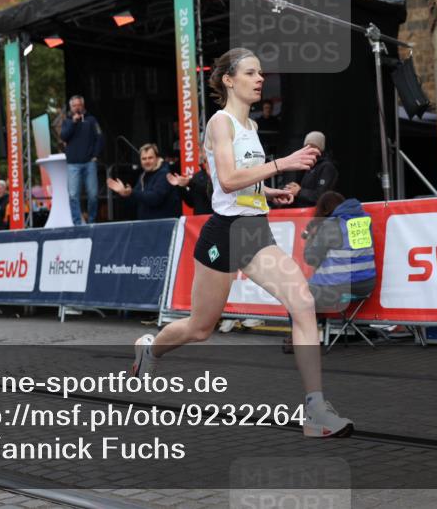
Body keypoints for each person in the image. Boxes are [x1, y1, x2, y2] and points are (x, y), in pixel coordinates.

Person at [132, 47, 353, 438]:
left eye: (262, 73)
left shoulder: (251, 129)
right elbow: (229, 180)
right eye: (251, 73)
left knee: (301, 301)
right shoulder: (221, 123)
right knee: (200, 328)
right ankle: (151, 350)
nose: (260, 79)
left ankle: (316, 408)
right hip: (225, 231)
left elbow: (244, 185)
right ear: (229, 80)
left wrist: (270, 193)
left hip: (254, 229)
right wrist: (284, 163)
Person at [282, 191, 377, 353]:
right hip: (366, 286)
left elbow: (310, 258)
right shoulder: (363, 222)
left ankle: (301, 341)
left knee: (296, 296)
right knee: (313, 293)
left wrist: (312, 236)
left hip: (340, 287)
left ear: (324, 210)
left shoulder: (330, 225)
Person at [60, 95, 104, 224]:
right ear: (70, 107)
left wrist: (95, 154)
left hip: (89, 162)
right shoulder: (67, 121)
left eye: (79, 105)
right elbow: (63, 136)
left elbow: (100, 137)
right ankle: (77, 223)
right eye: (74, 106)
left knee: (93, 195)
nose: (76, 108)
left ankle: (91, 221)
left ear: (83, 105)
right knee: (73, 195)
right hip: (73, 164)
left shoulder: (91, 120)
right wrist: (74, 122)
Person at [106, 143, 181, 220]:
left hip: (164, 226)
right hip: (148, 224)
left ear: (157, 158)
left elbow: (155, 198)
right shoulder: (143, 176)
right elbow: (135, 199)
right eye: (144, 159)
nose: (147, 161)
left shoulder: (164, 174)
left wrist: (131, 192)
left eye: (150, 158)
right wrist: (124, 193)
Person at [284, 131, 338, 208]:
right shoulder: (305, 165)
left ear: (320, 148)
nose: (309, 150)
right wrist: (290, 190)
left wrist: (299, 191)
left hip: (319, 215)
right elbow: (299, 188)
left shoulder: (327, 167)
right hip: (302, 212)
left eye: (313, 146)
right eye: (306, 146)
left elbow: (322, 196)